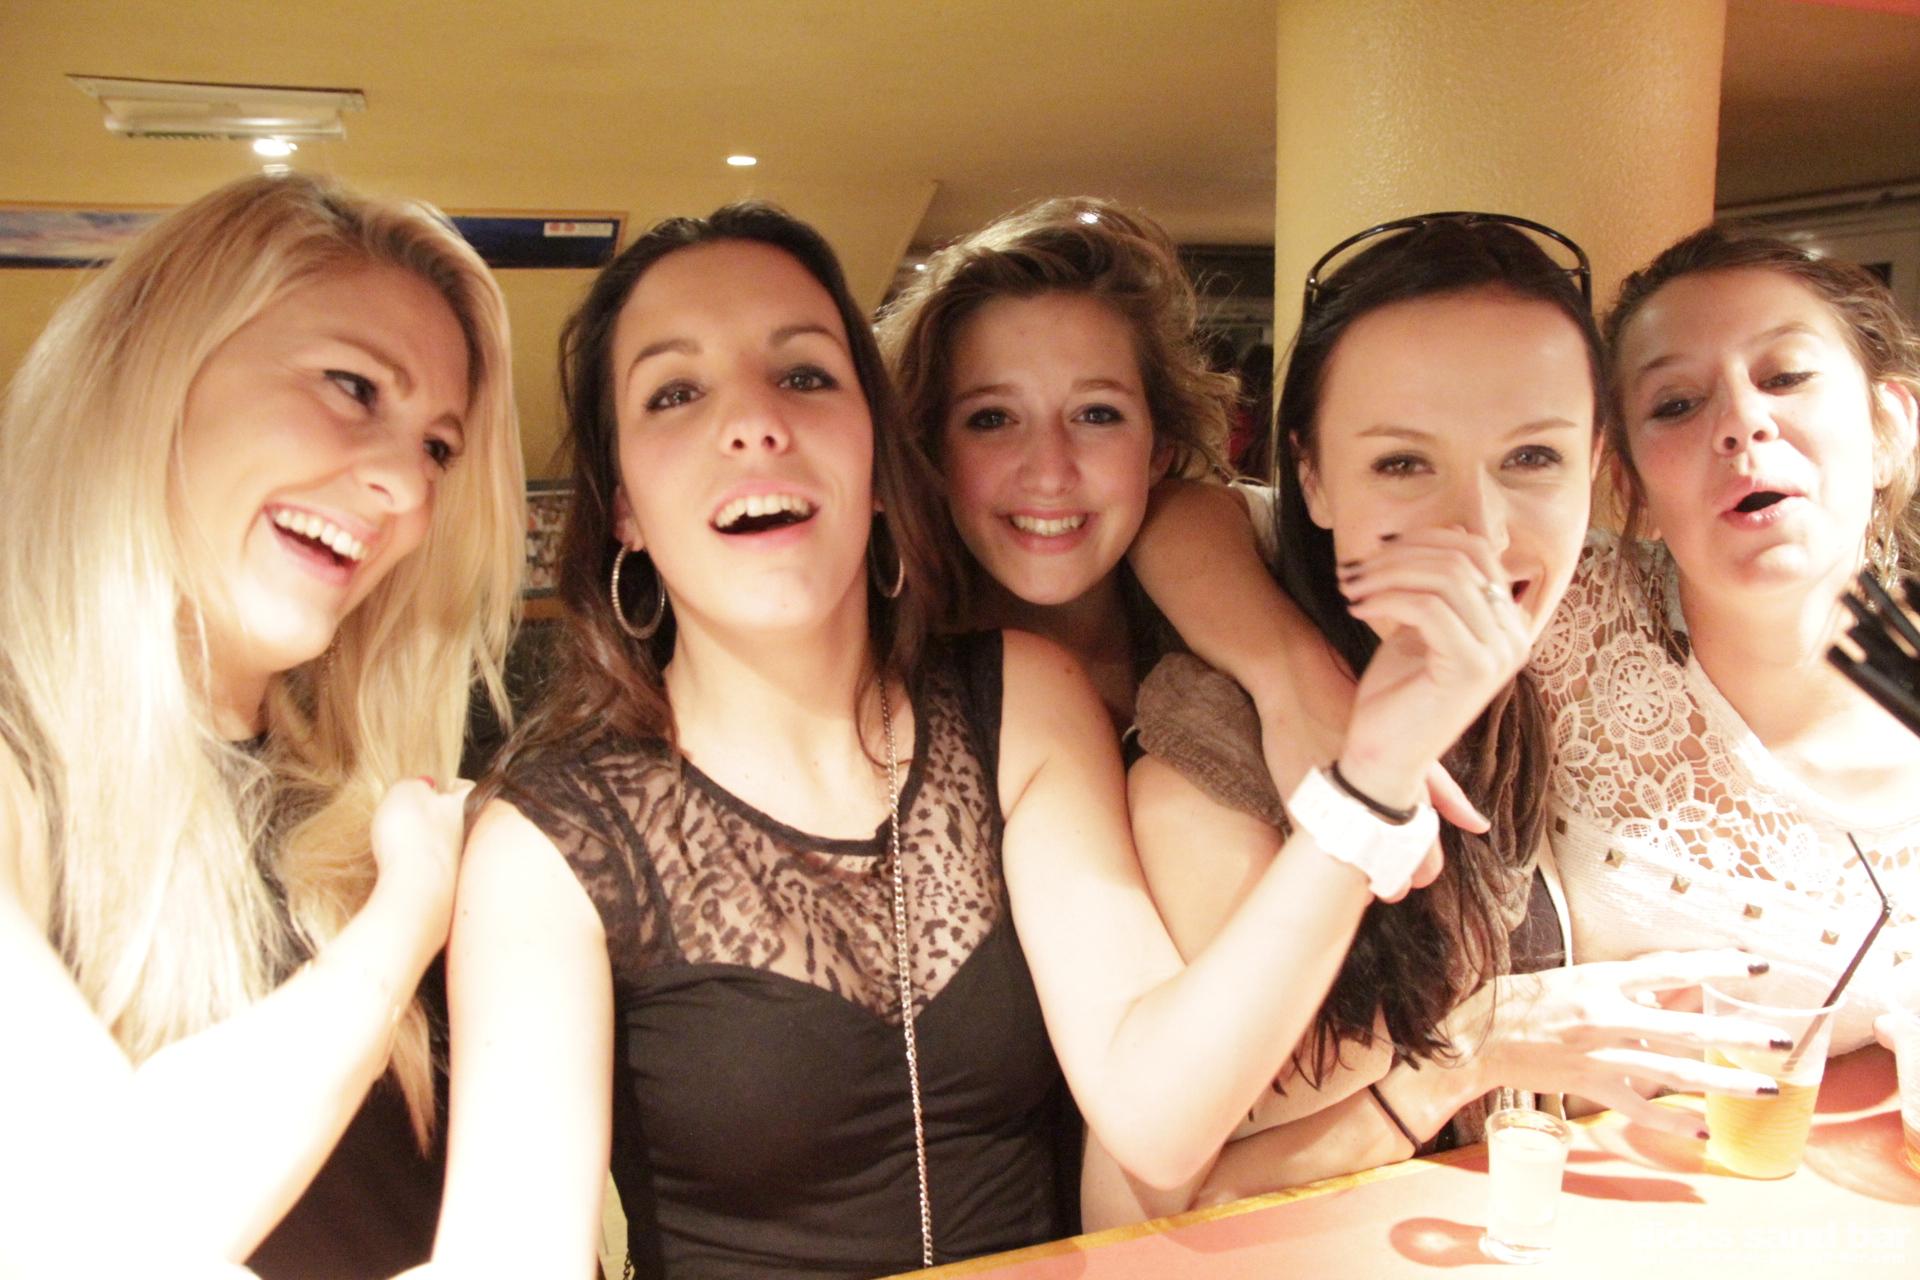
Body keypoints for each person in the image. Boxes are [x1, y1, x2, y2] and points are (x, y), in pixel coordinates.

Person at [428, 202, 1511, 1279]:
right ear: (621, 502)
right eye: (675, 392)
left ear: (876, 455)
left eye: (803, 375)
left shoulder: (1021, 699)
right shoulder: (548, 842)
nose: (752, 423)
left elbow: (1156, 1113)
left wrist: (1366, 778)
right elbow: (508, 1246)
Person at [1082, 214, 1783, 1227]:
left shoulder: (1548, 675)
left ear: (1593, 461)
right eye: (1404, 464)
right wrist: (1467, 1056)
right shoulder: (1217, 753)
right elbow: (1147, 1211)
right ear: (1311, 477)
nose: (1477, 532)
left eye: (1532, 456)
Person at [0, 174, 524, 1277]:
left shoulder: (375, 805)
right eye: (352, 386)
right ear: (151, 368)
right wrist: (407, 914)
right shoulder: (21, 769)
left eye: (438, 448)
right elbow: (95, 1234)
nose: (404, 488)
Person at [1539, 226, 1920, 1049]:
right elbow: (1247, 517)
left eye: (1785, 376)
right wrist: (1289, 681)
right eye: (1676, 405)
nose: (1743, 423)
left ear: (1890, 426)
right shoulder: (1572, 608)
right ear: (1631, 482)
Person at [876, 197, 1238, 727]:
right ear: (932, 451)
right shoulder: (879, 681)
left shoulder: (1264, 581)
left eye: (1096, 414)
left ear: (1159, 447)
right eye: (992, 419)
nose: (1049, 474)